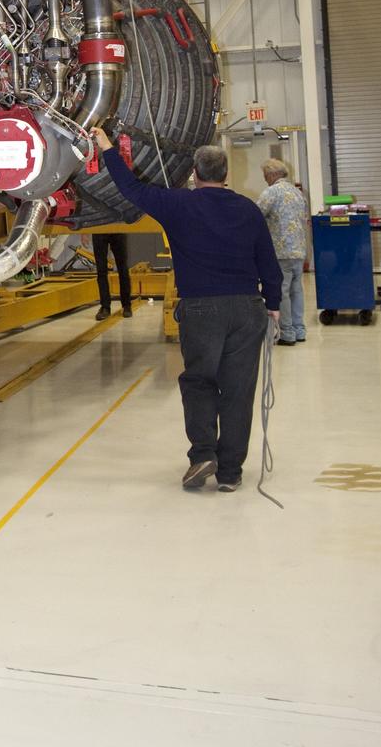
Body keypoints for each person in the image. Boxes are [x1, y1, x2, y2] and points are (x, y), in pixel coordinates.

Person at [92, 130, 281, 493]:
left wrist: (108, 149)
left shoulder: (179, 205)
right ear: (227, 174)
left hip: (201, 310)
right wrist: (272, 305)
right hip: (247, 308)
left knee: (199, 382)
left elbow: (131, 189)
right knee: (239, 391)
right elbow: (268, 263)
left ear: (194, 173)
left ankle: (202, 455)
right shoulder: (248, 209)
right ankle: (230, 473)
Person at [257, 160, 308, 347]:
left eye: (265, 175)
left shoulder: (271, 192)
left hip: (281, 251)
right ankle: (299, 329)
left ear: (271, 175)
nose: (265, 179)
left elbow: (256, 214)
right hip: (299, 250)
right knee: (297, 290)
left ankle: (287, 333)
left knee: (282, 292)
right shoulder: (298, 193)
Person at [91, 231, 133, 321]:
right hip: (98, 229)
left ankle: (127, 305)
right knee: (101, 270)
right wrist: (84, 232)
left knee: (123, 269)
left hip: (118, 228)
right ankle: (105, 307)